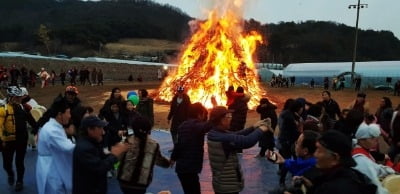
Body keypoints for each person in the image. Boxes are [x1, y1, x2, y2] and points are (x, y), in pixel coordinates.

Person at [207, 106, 272, 194]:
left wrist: (253, 127)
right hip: (228, 186)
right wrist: (262, 129)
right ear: (221, 120)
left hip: (222, 183)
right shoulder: (223, 138)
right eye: (228, 117)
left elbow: (235, 135)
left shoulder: (215, 133)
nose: (230, 119)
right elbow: (247, 142)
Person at [308, 130, 377, 194]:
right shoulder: (354, 175)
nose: (315, 154)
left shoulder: (334, 189)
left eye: (319, 151)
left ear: (335, 158)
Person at [73, 116, 128, 194]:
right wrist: (114, 155)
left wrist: (115, 153)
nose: (103, 132)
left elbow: (101, 158)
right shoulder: (85, 148)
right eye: (100, 128)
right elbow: (100, 167)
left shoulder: (92, 143)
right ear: (90, 130)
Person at [118, 116, 171, 194]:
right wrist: (169, 163)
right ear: (149, 130)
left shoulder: (126, 142)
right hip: (141, 184)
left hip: (124, 181)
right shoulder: (154, 145)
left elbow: (118, 158)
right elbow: (161, 161)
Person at [0, 86, 38, 191]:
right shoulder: (3, 109)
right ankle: (10, 173)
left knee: (19, 162)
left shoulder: (23, 108)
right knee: (6, 164)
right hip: (8, 141)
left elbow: (31, 120)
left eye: (19, 97)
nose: (19, 99)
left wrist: (36, 128)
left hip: (21, 139)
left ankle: (19, 181)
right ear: (11, 97)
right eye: (17, 97)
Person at [36, 97, 75, 194]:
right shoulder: (52, 130)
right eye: (68, 113)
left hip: (53, 163)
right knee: (56, 189)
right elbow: (69, 148)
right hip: (51, 168)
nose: (70, 116)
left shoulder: (55, 126)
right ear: (59, 114)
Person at [171, 103, 211, 194]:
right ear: (199, 114)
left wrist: (173, 158)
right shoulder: (196, 126)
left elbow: (178, 145)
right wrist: (215, 110)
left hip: (181, 168)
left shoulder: (183, 125)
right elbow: (208, 126)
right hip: (190, 168)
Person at [352, 122, 396, 194]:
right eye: (372, 138)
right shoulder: (361, 160)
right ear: (361, 140)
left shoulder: (361, 150)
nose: (376, 141)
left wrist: (387, 170)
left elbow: (374, 167)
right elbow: (376, 186)